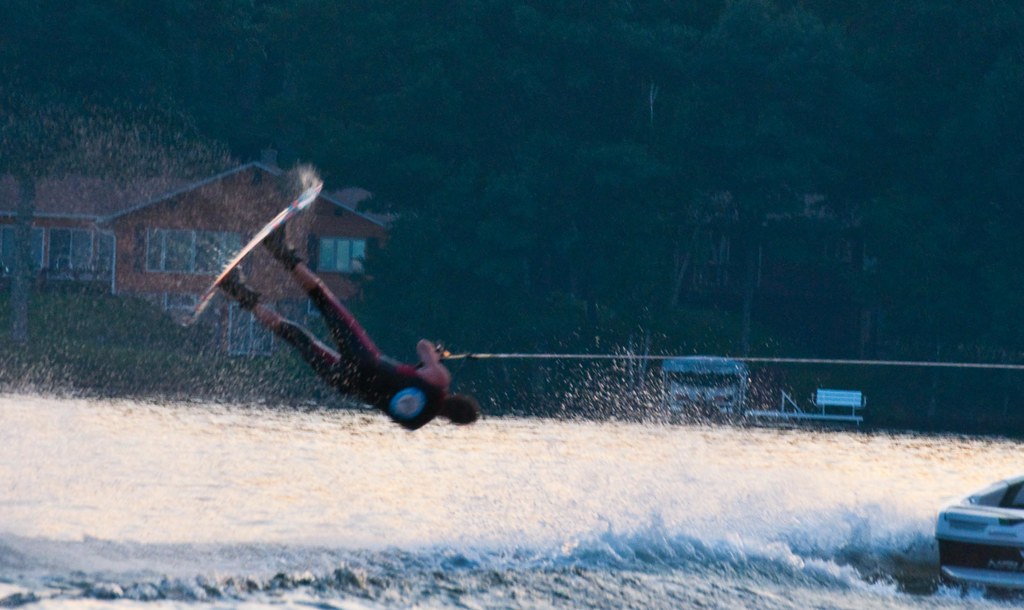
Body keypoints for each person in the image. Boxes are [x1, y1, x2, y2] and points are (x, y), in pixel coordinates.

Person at [218, 227, 480, 430]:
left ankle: (279, 248)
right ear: (451, 421)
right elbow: (398, 387)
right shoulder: (414, 422)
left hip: (365, 359)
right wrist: (422, 367)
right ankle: (236, 290)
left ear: (458, 397)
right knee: (295, 336)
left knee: (322, 299)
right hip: (346, 382)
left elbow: (422, 346)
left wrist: (434, 355)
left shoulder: (441, 381)